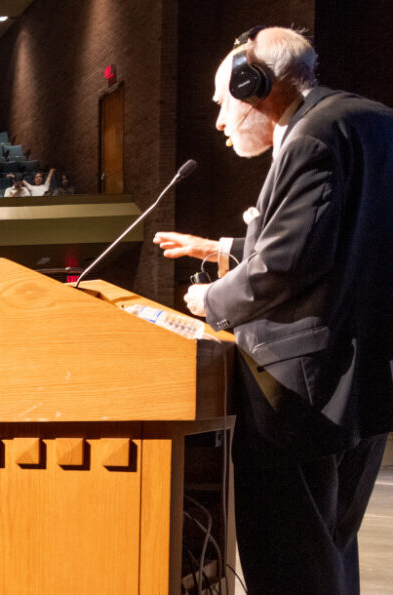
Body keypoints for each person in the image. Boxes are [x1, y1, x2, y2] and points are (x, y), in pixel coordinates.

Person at [152, 27, 393, 595]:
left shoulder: (310, 135)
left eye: (222, 104)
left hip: (296, 392)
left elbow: (288, 264)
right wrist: (225, 250)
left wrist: (211, 298)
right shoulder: (372, 121)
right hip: (362, 382)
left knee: (290, 562)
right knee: (329, 551)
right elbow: (344, 243)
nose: (219, 122)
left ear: (252, 83)